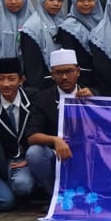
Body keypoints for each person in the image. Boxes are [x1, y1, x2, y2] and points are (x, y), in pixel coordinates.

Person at [0, 56, 51, 216]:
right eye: (1, 79)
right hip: (0, 163)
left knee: (21, 188)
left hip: (25, 161)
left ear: (21, 80)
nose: (6, 84)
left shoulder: (35, 99)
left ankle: (45, 194)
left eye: (11, 79)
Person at [26, 50, 78, 195]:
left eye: (69, 71)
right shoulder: (42, 99)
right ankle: (54, 194)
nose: (64, 77)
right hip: (57, 155)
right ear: (52, 74)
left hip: (86, 154)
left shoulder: (91, 94)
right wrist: (56, 140)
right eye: (59, 73)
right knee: (34, 153)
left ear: (78, 71)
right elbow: (32, 136)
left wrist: (91, 103)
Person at [19, 0, 66, 89]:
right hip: (41, 85)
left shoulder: (61, 23)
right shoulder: (32, 27)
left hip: (60, 82)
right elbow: (31, 64)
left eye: (59, 0)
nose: (56, 3)